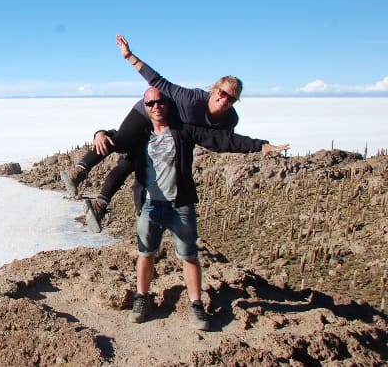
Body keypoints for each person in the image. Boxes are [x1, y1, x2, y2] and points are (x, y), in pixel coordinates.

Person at [127, 86, 288, 330]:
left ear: (168, 105)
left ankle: (196, 304)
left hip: (180, 205)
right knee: (146, 253)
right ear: (145, 107)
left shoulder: (184, 131)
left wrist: (259, 145)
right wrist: (99, 134)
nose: (156, 107)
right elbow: (118, 140)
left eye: (160, 102)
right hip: (150, 204)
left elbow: (222, 140)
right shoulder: (140, 136)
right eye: (150, 104)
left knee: (189, 256)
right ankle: (141, 298)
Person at [61, 34, 244, 233]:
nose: (225, 100)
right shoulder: (190, 99)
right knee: (121, 143)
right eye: (223, 93)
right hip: (150, 110)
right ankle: (78, 172)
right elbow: (157, 80)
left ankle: (99, 207)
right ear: (214, 90)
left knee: (130, 163)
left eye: (231, 99)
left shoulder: (230, 120)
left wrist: (259, 146)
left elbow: (222, 141)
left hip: (165, 128)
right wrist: (129, 56)